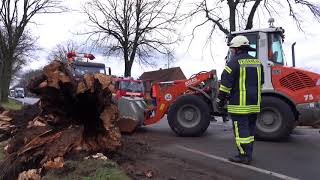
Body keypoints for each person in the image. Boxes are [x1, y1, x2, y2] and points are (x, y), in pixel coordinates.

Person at [216, 35, 264, 164]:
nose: (231, 51)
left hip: (239, 104)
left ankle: (243, 156)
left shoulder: (233, 63)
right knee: (250, 130)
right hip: (254, 104)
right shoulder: (258, 62)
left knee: (241, 130)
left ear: (237, 49)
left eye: (232, 49)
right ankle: (248, 153)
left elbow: (225, 85)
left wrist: (220, 101)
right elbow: (261, 82)